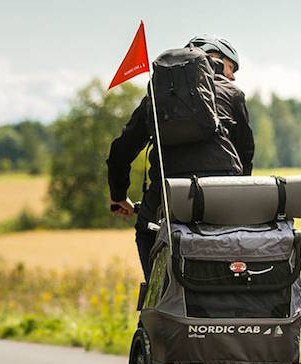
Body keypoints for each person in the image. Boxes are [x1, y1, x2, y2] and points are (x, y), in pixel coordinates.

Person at [106, 35, 255, 279]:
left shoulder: (155, 98)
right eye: (231, 66)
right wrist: (240, 191)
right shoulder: (232, 93)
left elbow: (120, 153)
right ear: (214, 58)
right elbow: (245, 153)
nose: (233, 75)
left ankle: (157, 298)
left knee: (147, 233)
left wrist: (119, 196)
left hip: (166, 201)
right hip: (224, 196)